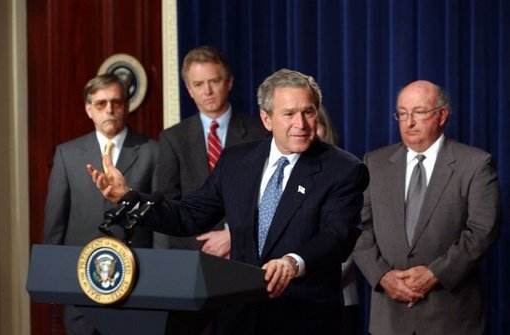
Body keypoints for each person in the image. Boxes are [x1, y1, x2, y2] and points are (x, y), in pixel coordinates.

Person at [88, 69, 369, 335]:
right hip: (240, 318)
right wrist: (127, 197)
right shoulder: (237, 160)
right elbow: (188, 215)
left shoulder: (342, 168)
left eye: (308, 112)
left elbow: (337, 235)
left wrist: (292, 262)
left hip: (304, 317)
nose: (301, 123)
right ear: (267, 119)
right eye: (289, 114)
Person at [353, 80, 501, 335]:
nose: (408, 122)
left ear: (441, 115)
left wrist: (435, 273)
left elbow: (483, 230)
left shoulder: (475, 164)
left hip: (450, 318)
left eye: (419, 113)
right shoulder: (374, 163)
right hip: (389, 317)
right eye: (402, 113)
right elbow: (357, 226)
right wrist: (382, 276)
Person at [43, 73, 158, 335]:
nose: (109, 109)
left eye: (116, 102)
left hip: (137, 285)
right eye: (101, 103)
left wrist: (156, 279)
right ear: (88, 109)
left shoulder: (153, 151)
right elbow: (55, 222)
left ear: (126, 107)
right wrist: (53, 276)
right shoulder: (67, 154)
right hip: (81, 287)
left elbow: (160, 223)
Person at [153, 45, 268, 257]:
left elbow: (270, 196)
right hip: (193, 256)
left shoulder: (259, 133)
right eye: (198, 84)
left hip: (248, 252)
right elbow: (168, 206)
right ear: (189, 90)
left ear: (229, 82)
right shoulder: (172, 139)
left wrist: (234, 234)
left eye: (214, 82)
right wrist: (204, 248)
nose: (207, 92)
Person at [317, 106, 360, 335]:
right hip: (285, 301)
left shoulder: (348, 172)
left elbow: (351, 239)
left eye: (312, 119)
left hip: (337, 298)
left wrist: (296, 272)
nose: (303, 127)